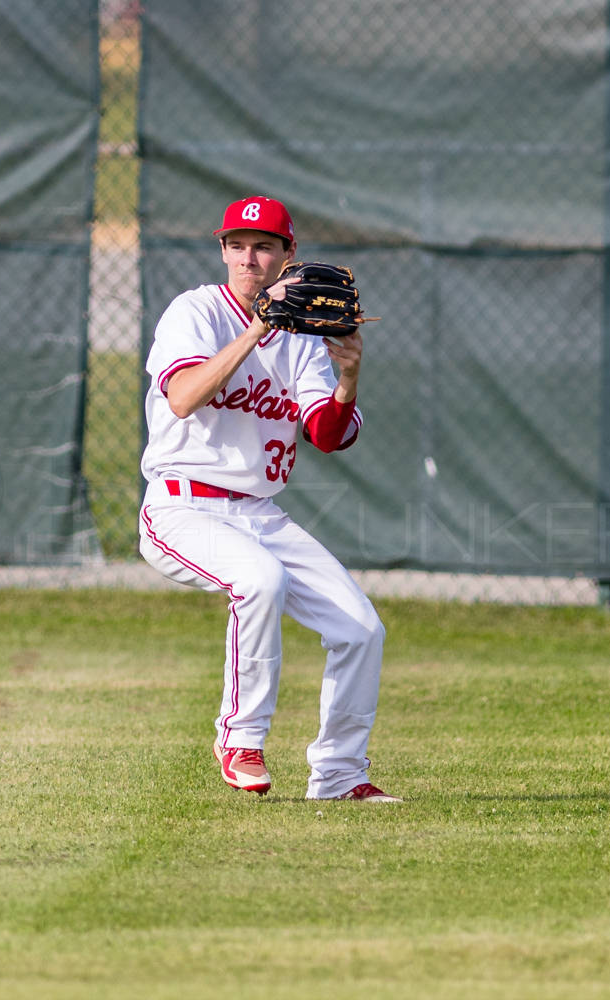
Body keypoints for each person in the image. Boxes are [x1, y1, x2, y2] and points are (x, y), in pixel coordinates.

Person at [138, 195, 401, 803]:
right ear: (223, 249)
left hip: (258, 512)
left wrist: (349, 376)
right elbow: (183, 397)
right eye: (236, 244)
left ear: (288, 257)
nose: (248, 257)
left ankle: (338, 775)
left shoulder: (305, 341)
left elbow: (327, 436)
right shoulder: (196, 311)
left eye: (262, 246)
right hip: (181, 505)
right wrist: (259, 326)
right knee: (258, 580)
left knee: (361, 629)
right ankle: (241, 739)